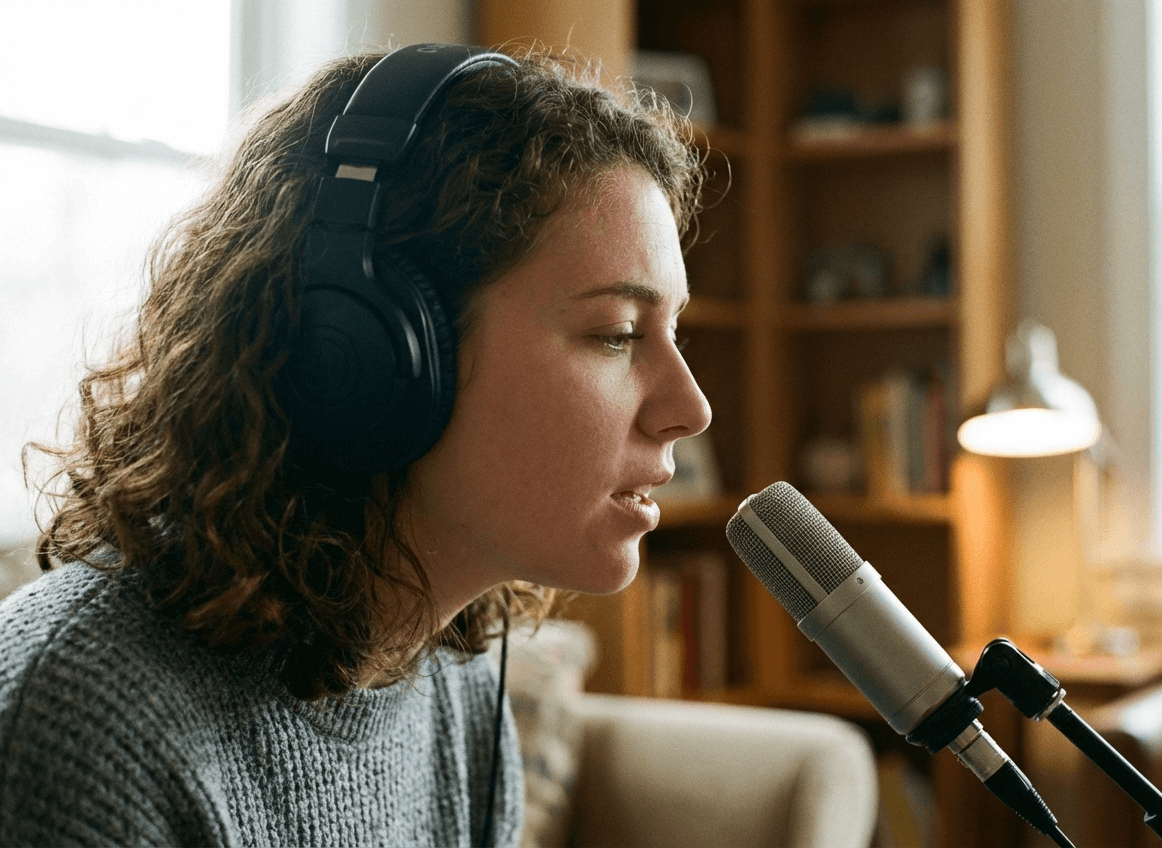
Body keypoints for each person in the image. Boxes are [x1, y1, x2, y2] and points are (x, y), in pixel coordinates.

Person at [0, 42, 711, 847]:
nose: (691, 408)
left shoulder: (458, 685)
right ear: (367, 356)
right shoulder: (87, 727)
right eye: (617, 333)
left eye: (672, 329)